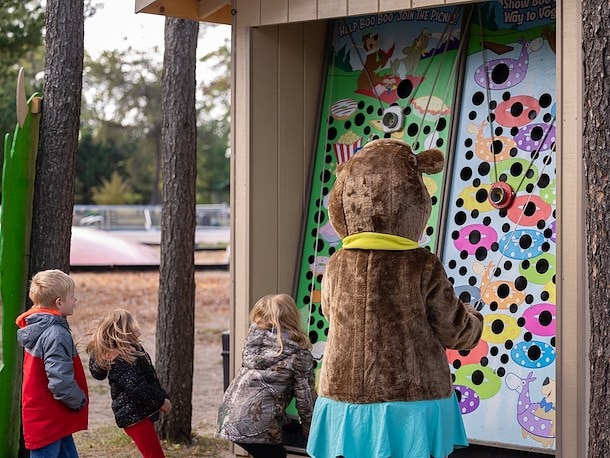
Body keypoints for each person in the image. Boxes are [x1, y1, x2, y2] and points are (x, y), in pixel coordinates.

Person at [216, 294, 317, 458]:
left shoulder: (254, 345)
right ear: (293, 317)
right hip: (257, 422)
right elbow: (306, 399)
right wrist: (312, 429)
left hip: (231, 415)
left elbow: (263, 387)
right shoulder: (299, 353)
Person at [16, 269, 89, 457]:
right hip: (48, 418)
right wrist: (78, 399)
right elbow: (59, 381)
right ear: (59, 302)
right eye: (72, 296)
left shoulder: (40, 328)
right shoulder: (55, 333)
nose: (75, 300)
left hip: (50, 415)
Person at [86, 309, 171, 458]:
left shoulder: (130, 351)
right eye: (133, 323)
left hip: (138, 414)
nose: (137, 326)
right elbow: (137, 388)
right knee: (154, 455)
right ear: (124, 330)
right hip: (135, 416)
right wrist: (161, 401)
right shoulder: (122, 360)